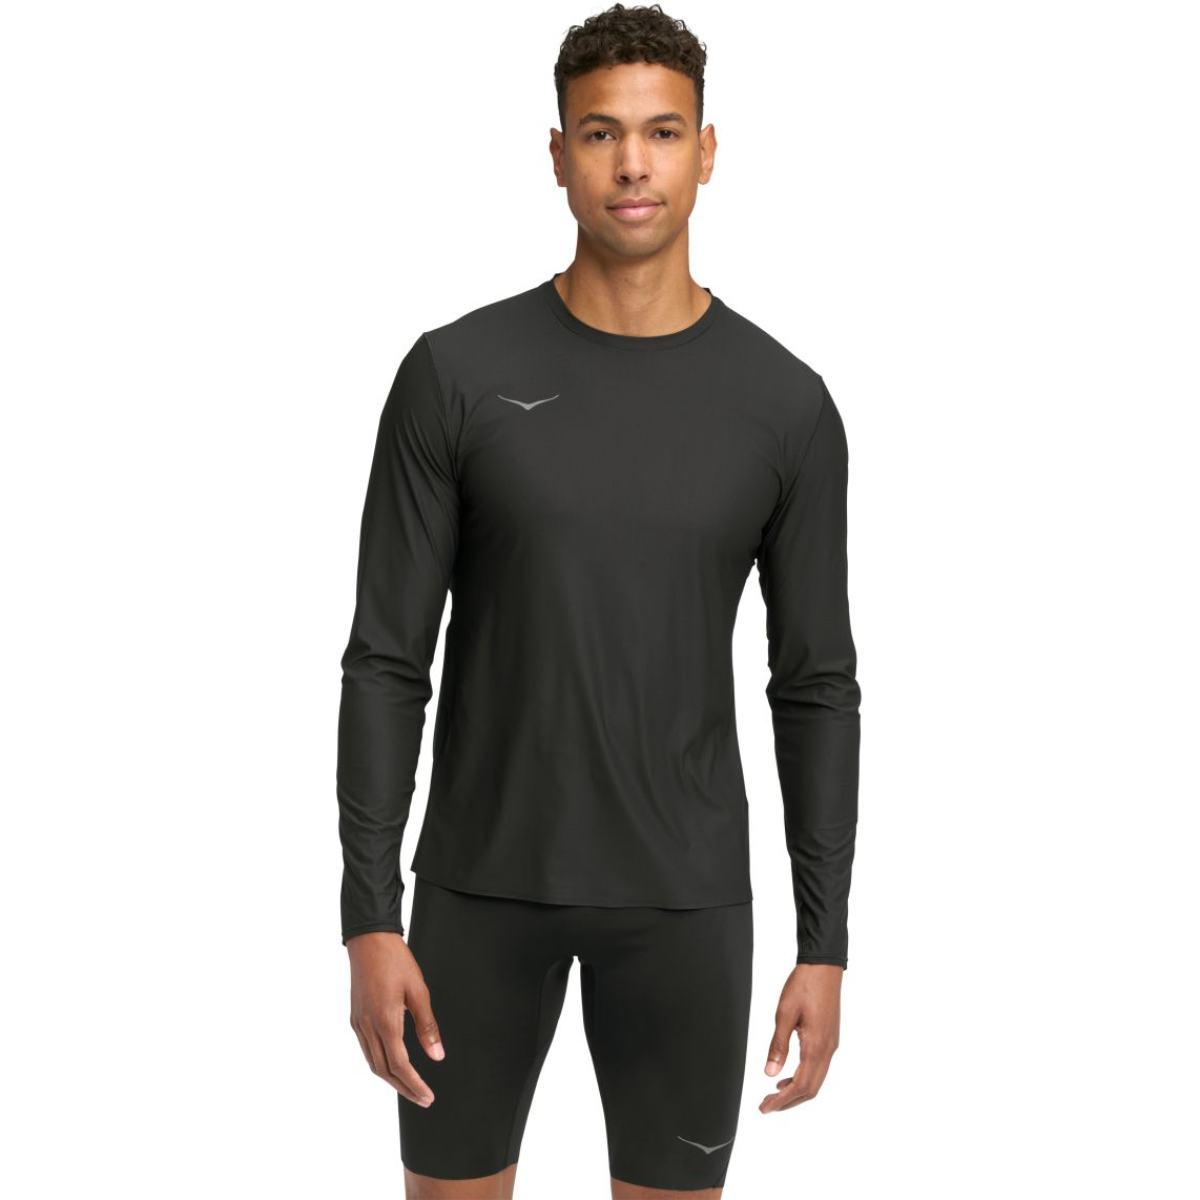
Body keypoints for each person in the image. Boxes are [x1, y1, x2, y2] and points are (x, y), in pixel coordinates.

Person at [336, 5, 862, 1197]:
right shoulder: (454, 376)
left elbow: (816, 686)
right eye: (601, 133)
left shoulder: (785, 406)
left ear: (707, 152)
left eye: (663, 132)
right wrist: (370, 914)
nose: (633, 164)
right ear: (558, 152)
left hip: (684, 905)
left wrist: (824, 943)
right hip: (478, 894)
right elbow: (386, 661)